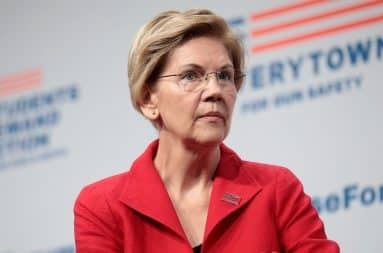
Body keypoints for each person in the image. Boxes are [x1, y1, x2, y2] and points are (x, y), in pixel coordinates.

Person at [74, 9, 339, 253]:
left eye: (224, 76)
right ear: (147, 100)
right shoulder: (102, 207)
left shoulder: (277, 189)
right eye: (190, 75)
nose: (215, 91)